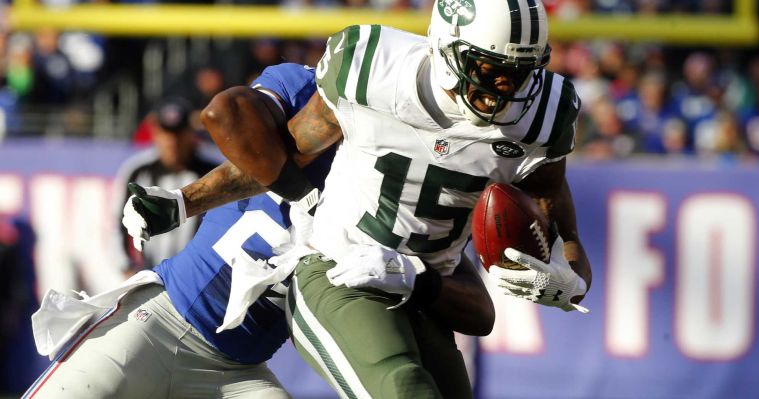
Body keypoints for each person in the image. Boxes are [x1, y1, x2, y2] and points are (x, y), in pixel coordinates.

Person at [128, 0, 592, 397]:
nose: (506, 88)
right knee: (405, 390)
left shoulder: (545, 115)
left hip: (425, 288)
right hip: (341, 270)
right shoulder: (373, 69)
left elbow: (554, 213)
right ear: (447, 46)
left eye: (521, 71)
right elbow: (288, 156)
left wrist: (567, 275)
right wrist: (184, 201)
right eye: (491, 68)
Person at [24, 63, 494, 398]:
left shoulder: (412, 186)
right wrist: (300, 195)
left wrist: (418, 279)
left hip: (239, 373)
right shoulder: (312, 92)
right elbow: (226, 115)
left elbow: (478, 309)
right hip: (156, 325)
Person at [112, 96, 219, 272]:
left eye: (179, 133)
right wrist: (126, 266)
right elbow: (118, 223)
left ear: (190, 133)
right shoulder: (138, 171)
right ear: (155, 132)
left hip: (197, 276)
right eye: (166, 133)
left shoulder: (211, 172)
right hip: (151, 274)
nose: (172, 142)